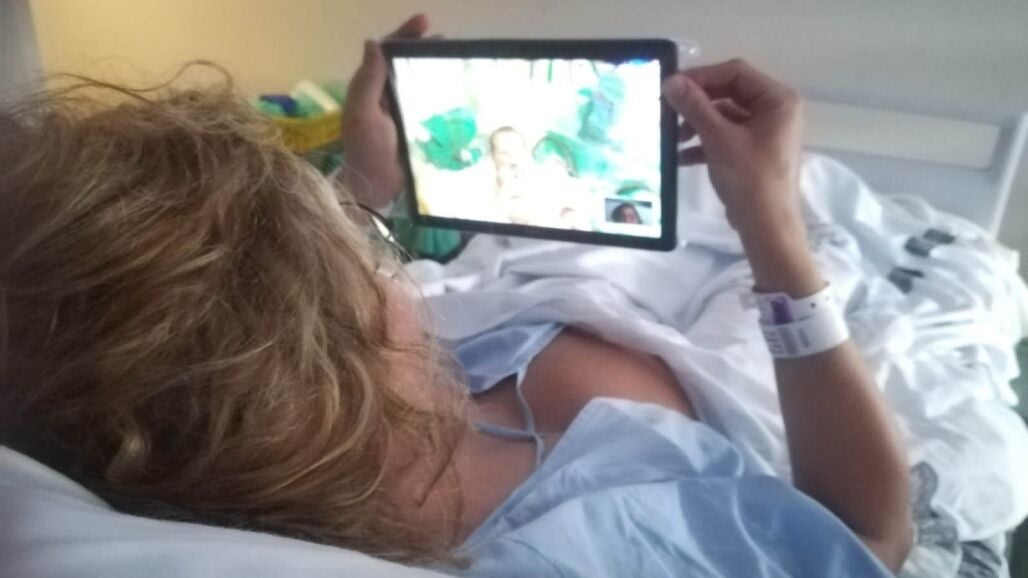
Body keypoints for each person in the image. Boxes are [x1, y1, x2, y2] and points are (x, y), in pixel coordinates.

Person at [0, 13, 913, 577]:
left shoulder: (283, 440)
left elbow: (232, 297)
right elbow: (867, 535)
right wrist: (773, 232)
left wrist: (368, 175)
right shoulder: (618, 546)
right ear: (334, 348)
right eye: (368, 249)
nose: (383, 250)